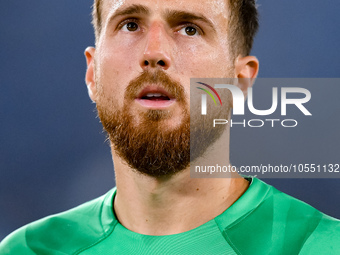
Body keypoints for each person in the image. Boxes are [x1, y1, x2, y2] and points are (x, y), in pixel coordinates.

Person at [1, 0, 339, 254]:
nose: (154, 53)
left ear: (240, 83)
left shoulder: (319, 246)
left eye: (190, 28)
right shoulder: (30, 249)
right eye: (131, 24)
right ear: (93, 73)